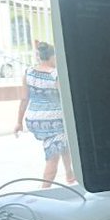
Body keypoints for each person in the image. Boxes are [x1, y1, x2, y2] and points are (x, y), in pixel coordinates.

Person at [14, 41, 75, 186]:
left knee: (62, 143)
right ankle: (44, 189)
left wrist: (19, 122)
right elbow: (65, 99)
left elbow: (24, 98)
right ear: (52, 57)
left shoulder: (28, 73)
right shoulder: (55, 75)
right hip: (54, 121)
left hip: (34, 120)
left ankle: (70, 174)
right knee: (53, 157)